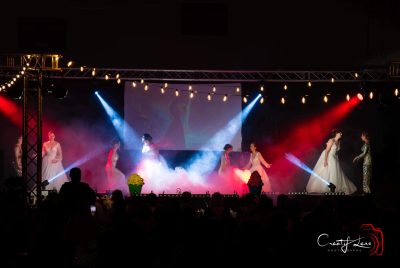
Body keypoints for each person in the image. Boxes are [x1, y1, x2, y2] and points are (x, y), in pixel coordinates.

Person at [306, 129, 357, 195]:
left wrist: (337, 158)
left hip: (334, 158)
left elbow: (336, 152)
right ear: (336, 133)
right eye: (340, 132)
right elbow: (327, 151)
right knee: (327, 172)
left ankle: (333, 188)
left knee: (335, 173)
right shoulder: (331, 140)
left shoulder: (338, 141)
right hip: (329, 157)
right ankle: (326, 187)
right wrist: (325, 161)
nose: (341, 133)